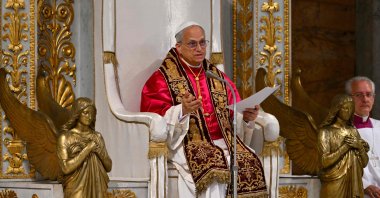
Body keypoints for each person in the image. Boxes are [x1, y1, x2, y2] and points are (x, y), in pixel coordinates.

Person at [140, 22, 267, 197]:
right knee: (213, 167)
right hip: (186, 143)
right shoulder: (162, 79)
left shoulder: (217, 77)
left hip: (223, 142)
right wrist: (182, 111)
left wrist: (246, 118)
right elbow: (155, 117)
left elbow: (232, 115)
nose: (199, 48)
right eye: (192, 43)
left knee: (249, 161)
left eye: (203, 42)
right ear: (179, 47)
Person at [57, 97, 112, 198]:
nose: (89, 116)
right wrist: (87, 149)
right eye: (85, 113)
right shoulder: (65, 137)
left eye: (92, 113)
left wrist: (100, 152)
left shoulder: (97, 136)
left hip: (97, 185)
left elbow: (109, 167)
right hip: (76, 186)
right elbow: (65, 168)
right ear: (77, 114)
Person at [318, 94, 369, 198]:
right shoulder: (325, 132)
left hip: (354, 181)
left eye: (351, 108)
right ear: (337, 109)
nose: (348, 111)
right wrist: (345, 147)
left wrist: (359, 146)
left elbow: (364, 163)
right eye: (345, 108)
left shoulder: (353, 131)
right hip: (334, 183)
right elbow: (324, 162)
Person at [346, 76, 380, 198]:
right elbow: (336, 169)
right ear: (349, 99)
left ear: (373, 98)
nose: (365, 99)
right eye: (359, 95)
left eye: (368, 94)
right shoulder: (341, 131)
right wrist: (364, 185)